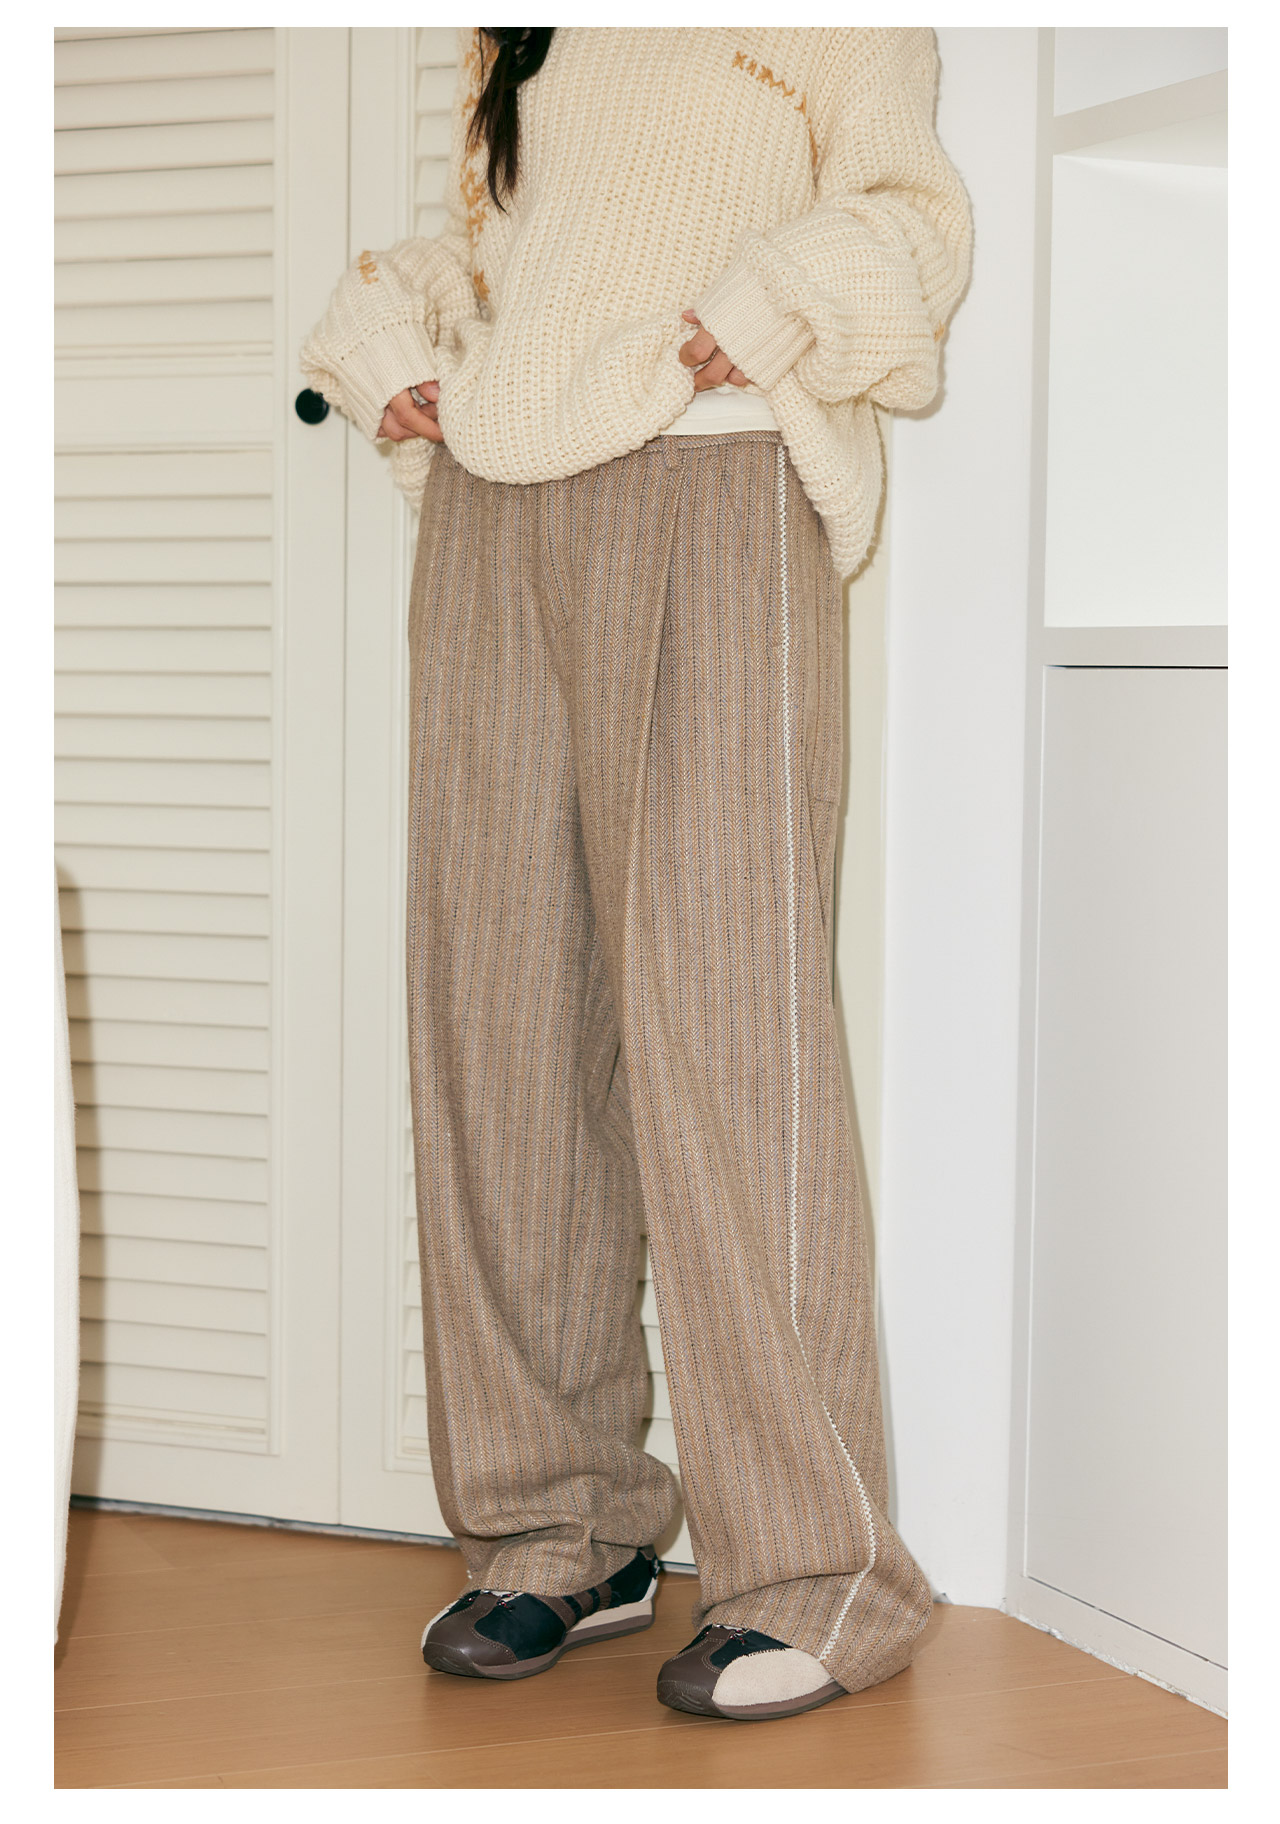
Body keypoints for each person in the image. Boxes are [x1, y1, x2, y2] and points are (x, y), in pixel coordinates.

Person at [301, 25, 972, 1723]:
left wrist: (765, 306)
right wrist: (390, 345)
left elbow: (914, 216)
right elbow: (511, 256)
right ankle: (563, 1531)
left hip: (716, 478)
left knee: (727, 1031)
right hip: (493, 517)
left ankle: (819, 1575)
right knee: (501, 1033)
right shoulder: (517, 29)